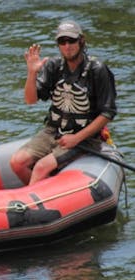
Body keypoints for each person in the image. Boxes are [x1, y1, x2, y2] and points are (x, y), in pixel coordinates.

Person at [10, 20, 117, 185]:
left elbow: (107, 113)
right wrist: (32, 73)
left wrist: (76, 138)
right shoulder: (53, 66)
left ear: (81, 40)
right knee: (17, 163)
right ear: (58, 45)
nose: (67, 46)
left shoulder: (97, 70)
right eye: (62, 41)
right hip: (53, 131)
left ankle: (33, 207)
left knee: (40, 168)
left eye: (72, 40)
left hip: (84, 137)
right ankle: (44, 194)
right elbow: (30, 100)